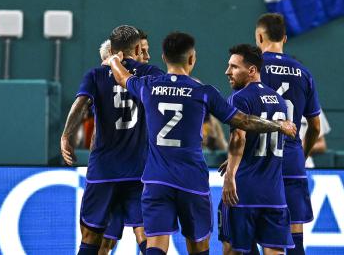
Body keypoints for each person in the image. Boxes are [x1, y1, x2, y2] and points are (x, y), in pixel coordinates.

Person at [106, 31, 296, 255]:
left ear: (164, 57)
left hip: (157, 179)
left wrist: (113, 60)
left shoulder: (148, 86)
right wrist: (278, 125)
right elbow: (243, 121)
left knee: (155, 246)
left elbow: (122, 77)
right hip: (192, 181)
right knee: (199, 246)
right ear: (191, 59)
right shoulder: (203, 92)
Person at [61, 25, 164, 255]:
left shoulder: (95, 75)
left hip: (104, 169)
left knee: (91, 236)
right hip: (140, 168)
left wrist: (66, 135)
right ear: (137, 48)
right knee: (146, 233)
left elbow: (80, 105)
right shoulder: (152, 73)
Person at [255, 13, 322, 255]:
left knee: (259, 237)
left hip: (259, 162)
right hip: (291, 159)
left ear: (259, 37)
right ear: (284, 38)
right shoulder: (304, 73)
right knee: (295, 240)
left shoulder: (252, 69)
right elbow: (315, 127)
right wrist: (301, 155)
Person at [218, 44, 294, 255]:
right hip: (274, 195)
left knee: (233, 250)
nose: (227, 72)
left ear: (251, 70)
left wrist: (230, 176)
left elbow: (239, 136)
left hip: (244, 192)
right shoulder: (279, 101)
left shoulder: (239, 98)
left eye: (233, 67)